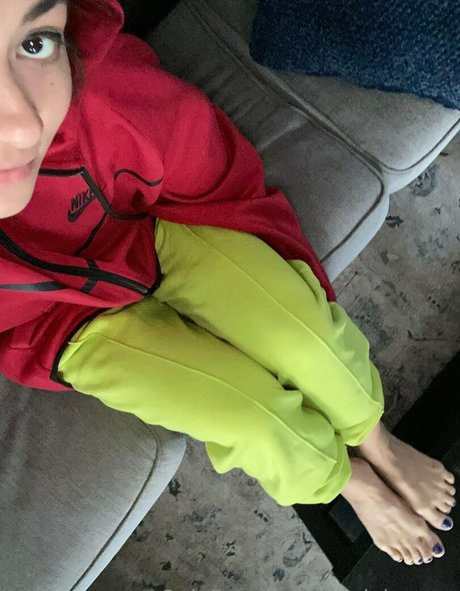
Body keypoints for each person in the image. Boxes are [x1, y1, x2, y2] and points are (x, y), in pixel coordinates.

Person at [0, 0, 455, 569]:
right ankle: (351, 482)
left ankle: (376, 440)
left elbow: (195, 156)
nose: (23, 123)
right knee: (248, 418)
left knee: (304, 340)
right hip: (58, 322)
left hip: (150, 229)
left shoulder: (101, 88)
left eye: (35, 42)